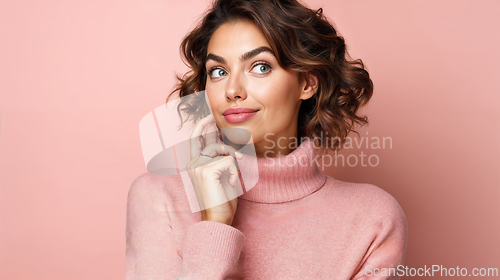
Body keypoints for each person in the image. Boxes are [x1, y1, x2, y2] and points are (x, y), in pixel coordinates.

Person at [126, 0, 407, 279]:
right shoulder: (158, 200)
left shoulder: (372, 218)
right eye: (219, 72)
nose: (232, 89)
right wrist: (214, 226)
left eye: (260, 67)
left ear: (307, 83)